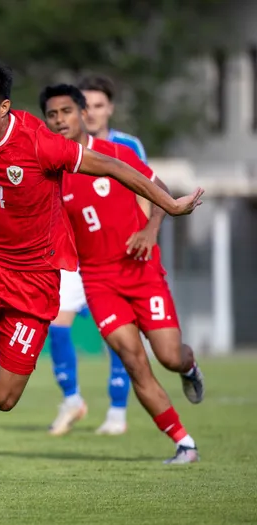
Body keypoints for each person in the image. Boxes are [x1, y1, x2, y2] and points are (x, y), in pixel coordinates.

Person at [0, 53, 203, 495]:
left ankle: (2, 351)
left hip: (34, 281)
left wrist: (170, 205)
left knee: (3, 399)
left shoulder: (40, 144)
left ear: (3, 108)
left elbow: (112, 166)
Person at [40, 83, 205, 464]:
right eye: (52, 114)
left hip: (142, 271)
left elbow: (157, 189)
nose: (60, 120)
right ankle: (184, 442)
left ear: (83, 114)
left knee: (168, 356)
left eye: (67, 111)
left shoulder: (117, 154)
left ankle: (189, 365)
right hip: (98, 281)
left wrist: (150, 229)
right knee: (133, 360)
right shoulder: (52, 172)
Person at [47, 75, 151, 437]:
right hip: (74, 259)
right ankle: (72, 399)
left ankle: (117, 411)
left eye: (98, 105)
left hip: (118, 258)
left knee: (118, 338)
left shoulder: (127, 146)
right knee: (57, 325)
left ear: (110, 109)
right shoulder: (60, 148)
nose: (90, 112)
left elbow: (146, 190)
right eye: (85, 105)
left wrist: (145, 237)